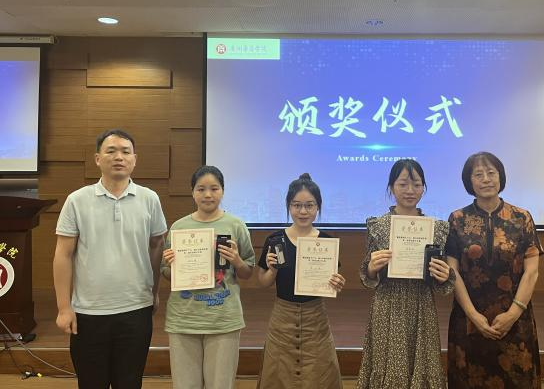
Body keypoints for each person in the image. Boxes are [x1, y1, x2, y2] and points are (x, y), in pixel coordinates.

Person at [53, 129, 167, 388]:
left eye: (126, 152)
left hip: (136, 308)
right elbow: (63, 254)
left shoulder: (149, 199)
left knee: (130, 382)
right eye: (111, 151)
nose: (119, 157)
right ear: (97, 158)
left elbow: (157, 246)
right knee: (91, 382)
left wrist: (154, 292)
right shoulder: (77, 200)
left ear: (134, 159)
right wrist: (63, 307)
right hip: (88, 312)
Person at [445, 152, 543, 388]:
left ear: (501, 177)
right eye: (478, 175)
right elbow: (452, 272)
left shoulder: (521, 218)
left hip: (515, 318)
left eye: (491, 173)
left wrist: (513, 314)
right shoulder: (457, 219)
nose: (486, 179)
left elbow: (531, 272)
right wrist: (473, 316)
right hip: (469, 319)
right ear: (469, 181)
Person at [357, 158, 454, 388]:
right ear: (391, 187)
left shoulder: (437, 228)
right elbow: (368, 274)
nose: (410, 190)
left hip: (422, 304)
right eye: (402, 184)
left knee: (424, 362)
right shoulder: (378, 225)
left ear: (424, 188)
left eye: (417, 184)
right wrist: (372, 267)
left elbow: (441, 282)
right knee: (386, 364)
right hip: (387, 305)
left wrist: (443, 275)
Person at [161, 165, 255, 389]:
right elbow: (166, 273)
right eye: (201, 189)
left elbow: (248, 271)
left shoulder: (236, 225)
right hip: (183, 319)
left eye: (214, 188)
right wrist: (172, 265)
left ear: (223, 191)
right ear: (192, 192)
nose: (208, 194)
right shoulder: (179, 227)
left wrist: (236, 260)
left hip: (223, 319)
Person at [256, 173, 346, 389]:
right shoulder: (275, 240)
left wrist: (337, 284)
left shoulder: (327, 242)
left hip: (316, 319)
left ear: (318, 207)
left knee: (319, 376)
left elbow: (330, 283)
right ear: (289, 206)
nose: (303, 211)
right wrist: (272, 270)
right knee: (278, 376)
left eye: (309, 205)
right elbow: (263, 281)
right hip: (282, 319)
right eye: (297, 205)